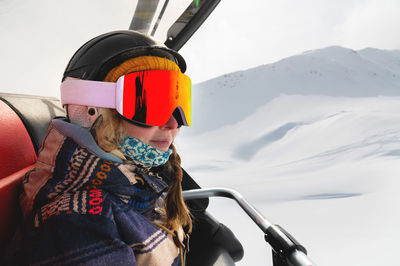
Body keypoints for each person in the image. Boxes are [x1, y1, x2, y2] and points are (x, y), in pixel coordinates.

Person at [18, 30, 193, 265]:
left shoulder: (139, 177)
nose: (173, 123)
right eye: (148, 104)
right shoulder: (80, 224)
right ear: (91, 112)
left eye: (177, 102)